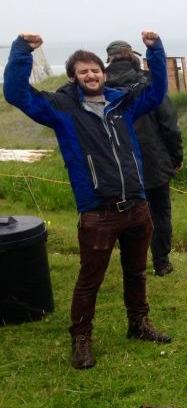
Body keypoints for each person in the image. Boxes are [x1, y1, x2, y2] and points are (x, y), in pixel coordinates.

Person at [3, 31, 172, 370]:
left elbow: (156, 92)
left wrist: (155, 51)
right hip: (98, 212)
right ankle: (81, 339)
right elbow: (17, 93)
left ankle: (139, 324)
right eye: (83, 71)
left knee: (137, 272)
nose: (91, 75)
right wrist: (21, 51)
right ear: (74, 77)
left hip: (137, 206)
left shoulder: (123, 102)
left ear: (103, 72)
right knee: (89, 280)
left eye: (95, 69)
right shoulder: (61, 108)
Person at [105, 40, 184, 277]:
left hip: (117, 164)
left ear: (109, 59)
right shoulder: (150, 83)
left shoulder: (98, 87)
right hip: (153, 161)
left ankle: (132, 264)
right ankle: (161, 262)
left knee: (126, 215)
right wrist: (176, 157)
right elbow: (169, 125)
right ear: (132, 56)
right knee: (159, 213)